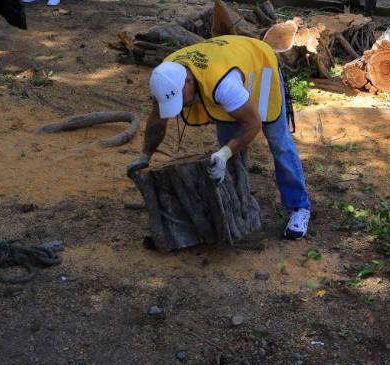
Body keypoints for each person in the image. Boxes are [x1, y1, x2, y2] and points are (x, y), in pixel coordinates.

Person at [132, 35, 312, 240]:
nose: (181, 106)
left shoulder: (223, 85)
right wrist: (145, 156)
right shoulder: (165, 77)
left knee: (279, 143)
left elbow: (253, 124)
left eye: (182, 100)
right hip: (228, 67)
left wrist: (225, 152)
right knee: (228, 151)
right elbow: (157, 119)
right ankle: (236, 204)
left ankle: (299, 208)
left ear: (189, 81)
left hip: (260, 65)